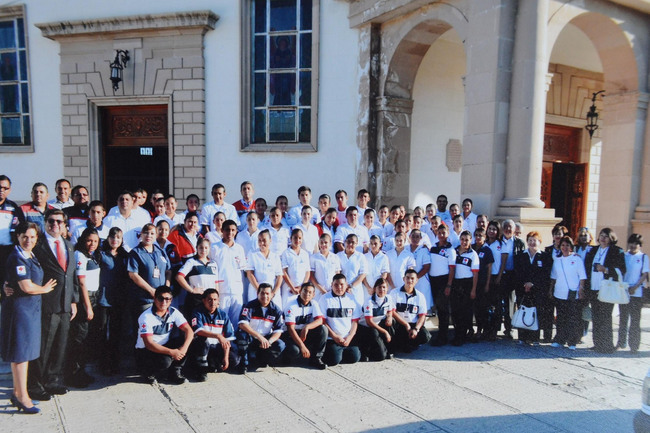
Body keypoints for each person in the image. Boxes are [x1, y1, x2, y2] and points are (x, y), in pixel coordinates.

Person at [1, 222, 56, 413]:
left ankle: (17, 392)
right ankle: (23, 398)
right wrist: (45, 289)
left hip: (30, 311)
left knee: (23, 354)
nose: (28, 240)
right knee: (20, 355)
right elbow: (26, 287)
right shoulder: (17, 257)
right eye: (25, 236)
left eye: (32, 237)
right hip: (20, 311)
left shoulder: (30, 254)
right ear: (17, 236)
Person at [28, 209, 76, 400]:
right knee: (44, 347)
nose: (55, 224)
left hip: (65, 304)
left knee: (60, 345)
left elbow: (71, 275)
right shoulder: (37, 246)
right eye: (51, 221)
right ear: (45, 223)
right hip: (46, 303)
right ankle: (35, 384)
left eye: (59, 221)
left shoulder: (69, 245)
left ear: (64, 225)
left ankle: (52, 380)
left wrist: (74, 300)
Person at [135, 285, 194, 384]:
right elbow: (149, 344)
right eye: (160, 298)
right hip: (146, 351)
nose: (164, 302)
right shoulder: (146, 317)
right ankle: (149, 372)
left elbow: (189, 331)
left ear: (171, 300)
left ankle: (175, 372)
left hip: (163, 346)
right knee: (165, 362)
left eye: (167, 299)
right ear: (154, 299)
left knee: (190, 340)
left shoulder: (173, 312)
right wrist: (172, 352)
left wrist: (184, 348)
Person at [65, 228, 102, 388]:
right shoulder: (79, 255)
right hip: (84, 299)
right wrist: (88, 306)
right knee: (79, 338)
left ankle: (81, 372)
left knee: (86, 338)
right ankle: (73, 374)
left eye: (95, 241)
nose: (92, 244)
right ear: (83, 240)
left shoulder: (91, 255)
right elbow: (81, 282)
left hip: (94, 297)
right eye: (89, 240)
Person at [583, 227, 626, 353]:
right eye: (601, 235)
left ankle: (607, 346)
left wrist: (606, 269)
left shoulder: (616, 251)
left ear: (611, 238)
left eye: (606, 236)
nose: (603, 238)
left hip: (607, 288)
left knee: (605, 317)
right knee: (596, 316)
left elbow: (622, 270)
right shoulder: (593, 250)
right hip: (593, 287)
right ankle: (597, 343)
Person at [96, 227, 129, 375]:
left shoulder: (124, 256)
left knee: (116, 332)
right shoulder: (101, 254)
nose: (115, 240)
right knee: (102, 332)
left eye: (118, 237)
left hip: (118, 299)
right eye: (112, 237)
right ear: (108, 238)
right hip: (103, 298)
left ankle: (115, 363)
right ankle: (103, 364)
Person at [188, 289, 239, 381]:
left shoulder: (223, 315)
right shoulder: (197, 312)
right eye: (210, 299)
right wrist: (218, 336)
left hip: (216, 347)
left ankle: (212, 364)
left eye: (215, 299)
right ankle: (201, 370)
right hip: (202, 347)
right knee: (203, 341)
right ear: (204, 300)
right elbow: (198, 331)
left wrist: (226, 357)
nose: (212, 302)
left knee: (234, 360)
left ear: (218, 300)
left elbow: (228, 339)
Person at [127, 223, 172, 327]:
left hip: (161, 300)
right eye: (146, 233)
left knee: (159, 328)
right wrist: (151, 290)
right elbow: (133, 275)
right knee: (143, 328)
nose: (149, 236)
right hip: (144, 299)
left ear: (156, 235)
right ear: (141, 235)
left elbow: (168, 271)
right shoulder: (136, 253)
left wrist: (166, 288)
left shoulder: (160, 251)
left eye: (152, 233)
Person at [236, 283, 285, 373]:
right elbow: (242, 324)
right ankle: (244, 364)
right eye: (262, 293)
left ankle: (263, 359)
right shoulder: (249, 306)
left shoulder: (276, 310)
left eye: (267, 294)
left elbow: (278, 331)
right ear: (257, 294)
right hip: (251, 337)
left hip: (265, 340)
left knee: (280, 345)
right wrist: (259, 336)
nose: (265, 296)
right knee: (242, 336)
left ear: (272, 295)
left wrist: (269, 342)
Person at [513, 231, 552, 344]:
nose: (532, 242)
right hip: (522, 289)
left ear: (539, 242)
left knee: (536, 313)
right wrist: (525, 283)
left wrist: (533, 283)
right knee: (523, 311)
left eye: (535, 240)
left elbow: (545, 274)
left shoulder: (545, 256)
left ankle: (534, 338)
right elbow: (517, 272)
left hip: (538, 290)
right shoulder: (520, 255)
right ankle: (522, 337)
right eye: (530, 240)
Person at [549, 236, 586, 350]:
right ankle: (559, 340)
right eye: (563, 245)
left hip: (573, 293)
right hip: (559, 293)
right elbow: (553, 277)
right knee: (561, 318)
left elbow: (582, 276)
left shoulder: (577, 259)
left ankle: (572, 341)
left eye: (567, 245)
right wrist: (550, 290)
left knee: (572, 319)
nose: (565, 247)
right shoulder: (557, 260)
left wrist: (581, 290)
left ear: (571, 247)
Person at [281, 282, 328, 369]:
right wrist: (302, 346)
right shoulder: (291, 305)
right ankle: (285, 356)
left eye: (310, 292)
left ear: (313, 295)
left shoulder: (314, 303)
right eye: (305, 291)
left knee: (323, 329)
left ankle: (316, 359)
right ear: (300, 291)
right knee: (295, 351)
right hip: (290, 334)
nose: (307, 294)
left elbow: (320, 320)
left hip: (304, 332)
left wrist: (307, 327)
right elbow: (290, 329)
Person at [319, 274, 362, 366]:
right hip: (332, 338)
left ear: (346, 285)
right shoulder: (324, 298)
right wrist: (335, 336)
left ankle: (340, 351)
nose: (339, 287)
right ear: (331, 285)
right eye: (336, 285)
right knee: (334, 360)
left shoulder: (351, 298)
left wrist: (350, 337)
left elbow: (355, 321)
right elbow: (323, 322)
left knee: (354, 357)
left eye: (342, 284)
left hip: (347, 337)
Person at [210, 220, 247, 324]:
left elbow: (242, 268)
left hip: (236, 290)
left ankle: (234, 335)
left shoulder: (239, 249)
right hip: (221, 289)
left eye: (233, 230)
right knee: (221, 319)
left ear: (236, 231)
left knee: (235, 320)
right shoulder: (214, 248)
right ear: (222, 230)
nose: (230, 233)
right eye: (227, 230)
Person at [617, 234, 649, 353]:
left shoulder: (643, 257)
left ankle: (634, 346)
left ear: (640, 245)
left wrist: (635, 287)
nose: (633, 245)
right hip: (624, 291)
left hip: (636, 292)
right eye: (631, 243)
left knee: (635, 320)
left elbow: (644, 274)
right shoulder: (624, 256)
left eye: (636, 243)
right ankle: (621, 342)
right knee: (623, 319)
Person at [176, 238, 220, 319]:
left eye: (206, 248)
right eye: (201, 247)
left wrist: (217, 299)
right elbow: (179, 276)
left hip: (210, 301)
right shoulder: (191, 262)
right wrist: (192, 290)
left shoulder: (213, 263)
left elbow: (216, 283)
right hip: (196, 300)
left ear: (209, 248)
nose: (203, 250)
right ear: (196, 248)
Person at [449, 231, 479, 346]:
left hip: (467, 284)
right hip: (456, 283)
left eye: (467, 240)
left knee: (465, 311)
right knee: (455, 311)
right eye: (462, 239)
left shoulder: (473, 254)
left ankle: (462, 336)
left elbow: (475, 274)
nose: (464, 242)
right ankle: (457, 334)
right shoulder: (454, 252)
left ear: (471, 240)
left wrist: (473, 289)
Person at [391, 269, 431, 352]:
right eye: (407, 278)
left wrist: (416, 329)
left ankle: (412, 343)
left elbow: (422, 316)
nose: (410, 280)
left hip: (413, 325)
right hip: (399, 324)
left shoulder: (420, 296)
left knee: (425, 336)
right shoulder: (394, 293)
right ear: (404, 279)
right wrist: (405, 324)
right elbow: (392, 312)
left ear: (416, 280)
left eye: (412, 278)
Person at [429, 224, 456, 346]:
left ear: (448, 234)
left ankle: (443, 337)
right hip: (433, 281)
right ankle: (440, 335)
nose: (441, 235)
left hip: (443, 281)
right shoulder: (433, 247)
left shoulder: (451, 250)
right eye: (439, 233)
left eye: (443, 233)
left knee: (443, 310)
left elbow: (452, 269)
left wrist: (449, 285)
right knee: (438, 308)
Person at [499, 219, 526, 339]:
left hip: (514, 275)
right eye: (505, 226)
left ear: (514, 229)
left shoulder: (519, 243)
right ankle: (500, 327)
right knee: (502, 302)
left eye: (510, 227)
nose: (508, 229)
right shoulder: (498, 242)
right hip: (501, 275)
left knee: (513, 303)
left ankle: (512, 329)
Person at [358, 278, 395, 361]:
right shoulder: (369, 302)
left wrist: (389, 317)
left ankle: (389, 349)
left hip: (378, 324)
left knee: (391, 322)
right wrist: (384, 332)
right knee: (381, 356)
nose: (382, 289)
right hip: (366, 327)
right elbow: (369, 322)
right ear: (375, 289)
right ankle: (367, 351)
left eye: (384, 287)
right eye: (379, 287)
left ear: (387, 288)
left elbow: (390, 311)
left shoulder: (388, 298)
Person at [245, 229, 283, 308]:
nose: (262, 243)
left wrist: (273, 293)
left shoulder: (275, 256)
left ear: (270, 241)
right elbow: (250, 274)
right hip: (256, 291)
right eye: (259, 240)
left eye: (264, 240)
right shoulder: (252, 254)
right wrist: (260, 291)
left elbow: (279, 276)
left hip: (272, 293)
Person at [0, 175, 25, 287]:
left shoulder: (13, 207)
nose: (2, 190)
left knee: (6, 283)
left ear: (9, 190)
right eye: (0, 187)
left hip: (7, 251)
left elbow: (21, 228)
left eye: (5, 188)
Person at [484, 220, 506, 341]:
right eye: (490, 229)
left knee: (497, 305)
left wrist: (499, 276)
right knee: (486, 305)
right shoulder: (484, 243)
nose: (491, 231)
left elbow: (503, 262)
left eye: (494, 229)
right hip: (485, 277)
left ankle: (494, 330)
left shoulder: (501, 244)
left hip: (497, 276)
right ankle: (486, 329)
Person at [472, 228, 494, 341]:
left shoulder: (487, 250)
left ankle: (482, 330)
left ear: (485, 237)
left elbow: (489, 268)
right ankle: (473, 330)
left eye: (480, 235)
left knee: (482, 308)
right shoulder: (471, 247)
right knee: (474, 308)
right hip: (471, 282)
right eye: (476, 235)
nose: (478, 237)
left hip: (482, 282)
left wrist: (487, 284)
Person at [280, 228, 311, 304]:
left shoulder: (305, 254)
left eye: (300, 238)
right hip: (289, 289)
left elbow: (307, 272)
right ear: (291, 239)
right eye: (295, 238)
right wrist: (292, 288)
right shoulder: (286, 253)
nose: (297, 240)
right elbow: (284, 272)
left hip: (301, 289)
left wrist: (302, 287)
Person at [336, 234, 367, 306]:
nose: (350, 244)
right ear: (344, 242)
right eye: (348, 242)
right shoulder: (338, 256)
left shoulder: (360, 256)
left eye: (353, 242)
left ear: (356, 244)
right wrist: (344, 286)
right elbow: (337, 273)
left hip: (356, 289)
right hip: (341, 289)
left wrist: (351, 286)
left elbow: (363, 274)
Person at [310, 233, 341, 300]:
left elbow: (337, 274)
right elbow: (311, 276)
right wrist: (321, 289)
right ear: (318, 244)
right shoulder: (313, 257)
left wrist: (333, 288)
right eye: (321, 242)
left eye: (326, 242)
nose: (323, 245)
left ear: (330, 243)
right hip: (318, 292)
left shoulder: (335, 257)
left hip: (332, 291)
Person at [363, 235, 390, 303]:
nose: (373, 246)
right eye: (371, 243)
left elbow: (384, 274)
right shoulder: (364, 257)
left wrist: (376, 288)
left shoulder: (384, 257)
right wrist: (368, 288)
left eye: (375, 243)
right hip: (366, 288)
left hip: (378, 289)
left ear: (380, 244)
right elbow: (362, 273)